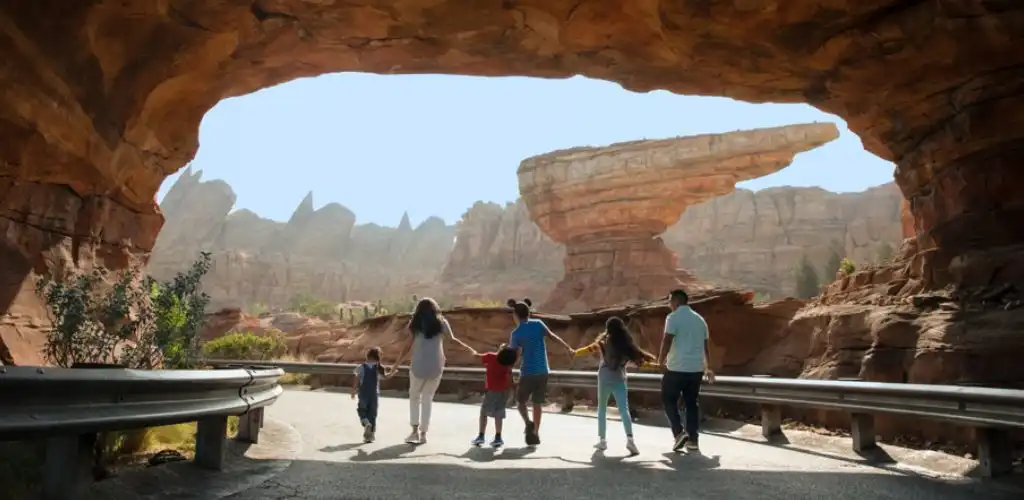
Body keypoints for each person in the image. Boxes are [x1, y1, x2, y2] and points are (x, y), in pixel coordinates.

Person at [389, 297, 474, 444]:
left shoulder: (415, 324)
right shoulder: (441, 322)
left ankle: (414, 431)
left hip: (418, 365)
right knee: (427, 399)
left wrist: (395, 366)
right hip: (436, 365)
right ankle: (423, 434)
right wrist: (469, 348)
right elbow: (452, 339)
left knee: (414, 396)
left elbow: (406, 347)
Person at [572, 316, 656, 455]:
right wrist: (657, 366)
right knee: (624, 410)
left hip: (604, 376)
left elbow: (589, 349)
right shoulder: (627, 345)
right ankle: (630, 440)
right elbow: (642, 362)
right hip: (619, 378)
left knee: (602, 409)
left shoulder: (603, 341)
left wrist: (575, 352)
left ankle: (603, 440)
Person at [507, 298, 573, 446]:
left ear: (515, 316)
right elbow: (553, 337)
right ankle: (536, 432)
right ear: (529, 313)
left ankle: (528, 422)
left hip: (527, 372)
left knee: (520, 401)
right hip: (543, 370)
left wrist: (508, 369)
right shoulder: (538, 324)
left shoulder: (516, 334)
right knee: (537, 403)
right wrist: (568, 347)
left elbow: (514, 355)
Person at [657, 289, 715, 452]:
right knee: (691, 403)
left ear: (676, 301)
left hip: (676, 367)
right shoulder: (700, 320)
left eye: (669, 301)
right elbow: (705, 346)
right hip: (696, 369)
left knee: (668, 399)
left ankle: (678, 433)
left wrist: (660, 361)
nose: (669, 305)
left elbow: (667, 340)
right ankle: (693, 440)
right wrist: (708, 367)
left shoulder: (673, 318)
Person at [468, 343, 518, 448]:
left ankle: (481, 436)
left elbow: (477, 356)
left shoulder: (491, 356)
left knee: (483, 412)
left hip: (492, 390)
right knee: (499, 413)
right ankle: (498, 437)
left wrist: (472, 352)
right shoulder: (507, 363)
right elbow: (510, 378)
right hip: (504, 391)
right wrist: (512, 389)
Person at [350, 346, 393, 443]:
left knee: (362, 410)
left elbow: (356, 379)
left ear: (368, 356)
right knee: (372, 414)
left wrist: (353, 390)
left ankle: (366, 423)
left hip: (363, 393)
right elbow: (386, 377)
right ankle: (371, 435)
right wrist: (392, 373)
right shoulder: (378, 368)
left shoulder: (361, 367)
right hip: (374, 394)